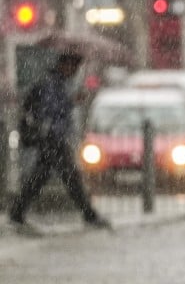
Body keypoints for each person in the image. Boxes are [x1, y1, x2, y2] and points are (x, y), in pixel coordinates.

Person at [8, 51, 110, 231]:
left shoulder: (59, 83)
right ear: (64, 64)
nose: (74, 71)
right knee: (70, 177)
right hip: (51, 139)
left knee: (42, 176)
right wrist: (71, 102)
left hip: (53, 138)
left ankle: (17, 211)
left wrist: (71, 101)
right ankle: (88, 214)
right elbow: (50, 111)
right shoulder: (51, 84)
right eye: (73, 66)